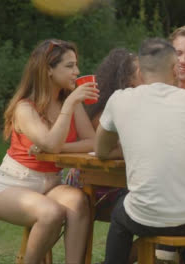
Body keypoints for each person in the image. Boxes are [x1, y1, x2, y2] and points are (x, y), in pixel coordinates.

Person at [96, 38, 185, 264]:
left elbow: (102, 151)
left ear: (140, 72)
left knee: (121, 213)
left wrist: (132, 146)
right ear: (175, 69)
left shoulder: (120, 100)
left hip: (146, 217)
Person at [0, 39, 97, 264]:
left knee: (79, 202)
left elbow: (92, 142)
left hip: (51, 184)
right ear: (47, 69)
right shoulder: (25, 108)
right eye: (69, 66)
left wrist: (60, 146)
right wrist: (69, 106)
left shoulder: (70, 103)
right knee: (51, 213)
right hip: (13, 185)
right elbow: (50, 143)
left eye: (76, 65)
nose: (76, 71)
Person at [65, 48, 141, 220]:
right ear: (127, 79)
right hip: (94, 184)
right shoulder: (105, 112)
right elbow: (120, 149)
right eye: (139, 71)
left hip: (113, 181)